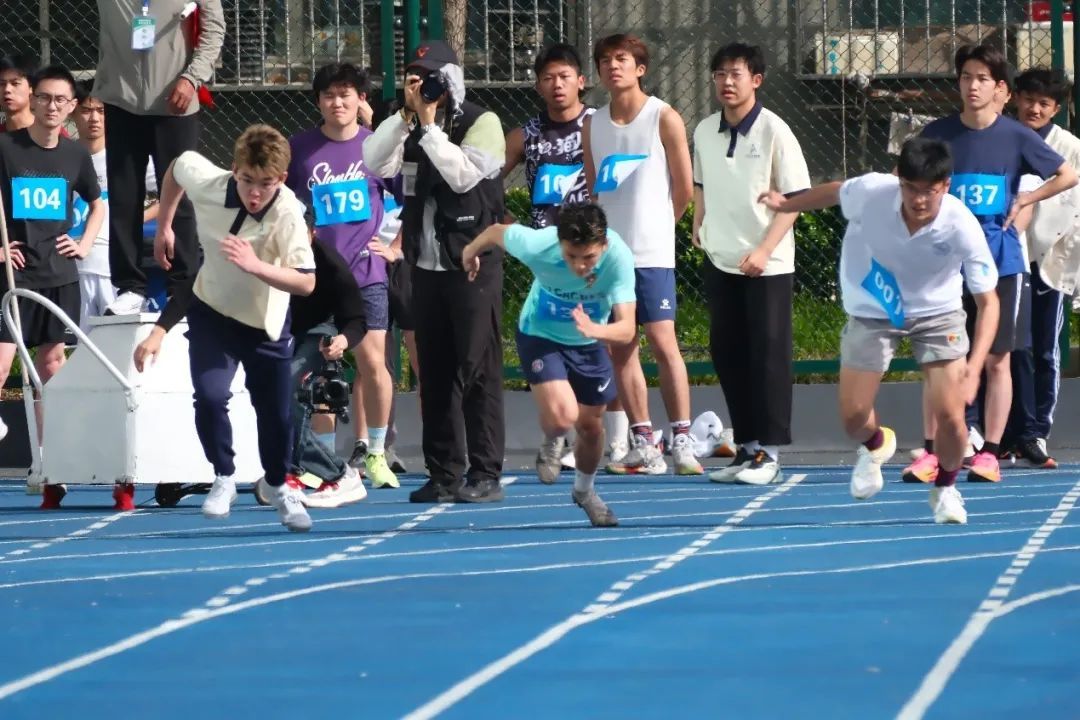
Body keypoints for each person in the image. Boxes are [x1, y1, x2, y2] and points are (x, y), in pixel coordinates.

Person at [761, 137, 1000, 524]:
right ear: (898, 180)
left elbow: (989, 303)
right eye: (910, 188)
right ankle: (875, 444)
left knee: (952, 416)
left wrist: (974, 368)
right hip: (874, 308)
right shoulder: (872, 192)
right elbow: (834, 192)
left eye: (929, 191)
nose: (918, 200)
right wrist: (786, 204)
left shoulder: (961, 225)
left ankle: (945, 489)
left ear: (946, 186)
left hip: (937, 314)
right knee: (853, 416)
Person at [133, 124, 317, 533]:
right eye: (247, 180)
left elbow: (306, 282)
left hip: (265, 324)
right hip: (212, 311)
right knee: (210, 395)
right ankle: (223, 476)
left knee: (275, 412)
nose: (255, 192)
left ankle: (280, 485)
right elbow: (178, 166)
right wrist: (164, 225)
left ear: (282, 179)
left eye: (266, 184)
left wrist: (255, 265)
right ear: (234, 170)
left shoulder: (288, 213)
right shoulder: (210, 184)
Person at [910, 43, 1077, 484]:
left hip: (999, 263)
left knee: (998, 358)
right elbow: (907, 180)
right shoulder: (938, 133)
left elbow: (1068, 174)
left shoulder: (1016, 136)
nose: (973, 86)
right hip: (945, 265)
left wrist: (1028, 197)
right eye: (966, 77)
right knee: (942, 358)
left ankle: (991, 452)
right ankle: (933, 451)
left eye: (982, 78)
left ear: (1000, 88)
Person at [363, 40, 508, 504]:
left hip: (472, 262)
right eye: (415, 77)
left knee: (478, 368)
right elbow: (373, 161)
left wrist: (429, 127)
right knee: (435, 371)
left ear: (452, 80)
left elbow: (464, 176)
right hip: (423, 263)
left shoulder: (482, 122)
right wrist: (405, 117)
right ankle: (444, 473)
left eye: (431, 77)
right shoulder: (408, 123)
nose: (423, 86)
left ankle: (485, 472)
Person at [461, 203, 634, 525]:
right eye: (571, 256)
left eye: (589, 257)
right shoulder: (539, 245)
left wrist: (595, 330)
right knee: (562, 416)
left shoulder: (619, 258)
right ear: (559, 243)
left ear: (604, 246)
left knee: (591, 428)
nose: (579, 266)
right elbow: (496, 232)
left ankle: (584, 491)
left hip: (589, 341)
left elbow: (627, 329)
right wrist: (471, 252)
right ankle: (553, 436)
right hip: (541, 335)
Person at [692, 43, 811, 485]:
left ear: (756, 80)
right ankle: (747, 447)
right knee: (728, 354)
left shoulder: (775, 130)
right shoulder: (704, 130)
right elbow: (701, 182)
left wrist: (763, 251)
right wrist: (699, 221)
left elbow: (795, 198)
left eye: (736, 74)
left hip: (768, 264)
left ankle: (771, 452)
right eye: (719, 73)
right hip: (720, 259)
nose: (726, 82)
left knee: (768, 356)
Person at [582, 33, 701, 476]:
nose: (613, 66)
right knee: (621, 348)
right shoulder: (592, 125)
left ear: (640, 68)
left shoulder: (663, 117)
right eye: (605, 60)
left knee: (663, 341)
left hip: (652, 253)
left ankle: (682, 439)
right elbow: (595, 191)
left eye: (622, 59)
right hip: (611, 259)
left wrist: (659, 230)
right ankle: (644, 442)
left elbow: (684, 189)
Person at [286, 62, 399, 490]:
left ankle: (376, 452)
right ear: (318, 101)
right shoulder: (300, 149)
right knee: (318, 369)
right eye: (329, 95)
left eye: (345, 94)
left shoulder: (377, 147)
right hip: (318, 279)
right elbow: (284, 206)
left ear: (360, 99)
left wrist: (395, 247)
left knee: (372, 362)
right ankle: (323, 460)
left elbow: (410, 196)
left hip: (367, 273)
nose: (337, 102)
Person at [0, 66, 105, 479]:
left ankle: (48, 461)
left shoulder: (75, 155)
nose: (51, 106)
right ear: (33, 99)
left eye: (61, 100)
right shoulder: (6, 147)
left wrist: (83, 243)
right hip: (14, 276)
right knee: (2, 361)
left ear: (71, 106)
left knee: (52, 365)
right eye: (44, 97)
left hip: (59, 276)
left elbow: (97, 204)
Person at [94, 0, 226, 315]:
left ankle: (182, 288)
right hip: (121, 100)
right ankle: (130, 287)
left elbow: (214, 28)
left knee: (181, 195)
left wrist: (193, 77)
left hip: (176, 100)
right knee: (124, 196)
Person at [503, 42, 593, 481]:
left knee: (594, 344)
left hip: (593, 255)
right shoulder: (527, 134)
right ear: (538, 86)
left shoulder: (598, 125)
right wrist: (512, 226)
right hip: (549, 259)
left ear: (581, 81)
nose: (557, 85)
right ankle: (562, 433)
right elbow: (484, 184)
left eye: (564, 77)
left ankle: (612, 438)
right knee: (555, 340)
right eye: (548, 78)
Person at [1003, 67, 1080, 468]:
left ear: (1057, 108)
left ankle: (1035, 433)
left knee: (1045, 349)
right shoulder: (1000, 136)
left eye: (1044, 103)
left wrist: (1069, 265)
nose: (1034, 109)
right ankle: (1007, 431)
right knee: (1009, 348)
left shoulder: (1070, 148)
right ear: (1015, 97)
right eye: (1029, 100)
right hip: (1006, 257)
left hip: (1051, 260)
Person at [264, 215, 368, 509]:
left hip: (318, 332)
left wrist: (342, 341)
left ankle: (335, 473)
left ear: (312, 233)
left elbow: (356, 319)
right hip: (277, 330)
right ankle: (290, 467)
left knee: (289, 389)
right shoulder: (266, 255)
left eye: (298, 233)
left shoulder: (332, 266)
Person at [69, 79, 160, 332]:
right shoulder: (63, 155)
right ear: (73, 112)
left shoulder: (128, 158)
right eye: (86, 111)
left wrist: (134, 219)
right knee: (74, 340)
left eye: (101, 111)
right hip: (72, 264)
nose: (94, 118)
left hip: (113, 264)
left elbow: (170, 191)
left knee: (115, 335)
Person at [0, 54, 38, 133]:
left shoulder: (49, 133)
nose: (7, 89)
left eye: (15, 83)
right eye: (2, 84)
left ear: (31, 87)